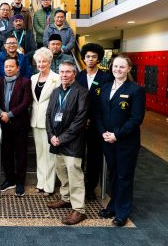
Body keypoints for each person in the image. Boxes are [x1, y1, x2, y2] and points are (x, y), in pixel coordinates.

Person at [96, 55, 145, 227]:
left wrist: (116, 134)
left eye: (122, 67)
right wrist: (103, 132)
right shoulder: (105, 87)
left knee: (124, 176)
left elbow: (136, 119)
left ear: (129, 69)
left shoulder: (135, 90)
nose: (117, 69)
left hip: (126, 142)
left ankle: (123, 211)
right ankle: (113, 205)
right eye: (115, 66)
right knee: (113, 174)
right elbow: (99, 113)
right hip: (107, 140)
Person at [46, 60, 89, 225]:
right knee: (61, 172)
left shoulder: (82, 92)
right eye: (62, 72)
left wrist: (61, 138)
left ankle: (79, 210)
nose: (64, 75)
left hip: (72, 142)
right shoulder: (56, 92)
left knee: (75, 175)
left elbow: (80, 120)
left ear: (74, 74)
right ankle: (65, 198)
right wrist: (51, 135)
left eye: (67, 72)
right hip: (56, 141)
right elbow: (49, 115)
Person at [76, 43, 113, 199]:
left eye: (94, 57)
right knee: (78, 157)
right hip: (80, 123)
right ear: (84, 58)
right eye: (88, 56)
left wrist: (94, 119)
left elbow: (106, 102)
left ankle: (90, 188)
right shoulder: (79, 76)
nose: (90, 59)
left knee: (94, 157)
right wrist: (82, 119)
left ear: (99, 59)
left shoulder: (106, 77)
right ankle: (78, 188)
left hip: (97, 124)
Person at [0, 58, 32, 197]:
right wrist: (1, 113)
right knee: (6, 154)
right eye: (6, 66)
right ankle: (9, 179)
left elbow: (26, 102)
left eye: (12, 66)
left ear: (17, 68)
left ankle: (20, 183)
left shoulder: (25, 82)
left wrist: (10, 114)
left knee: (21, 155)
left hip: (19, 124)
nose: (9, 69)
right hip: (3, 124)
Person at [31, 48, 61, 196]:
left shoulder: (57, 78)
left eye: (44, 61)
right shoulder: (33, 78)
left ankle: (49, 185)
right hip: (35, 120)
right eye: (39, 61)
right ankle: (40, 182)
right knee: (40, 153)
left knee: (50, 155)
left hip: (50, 122)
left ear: (50, 62)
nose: (41, 64)